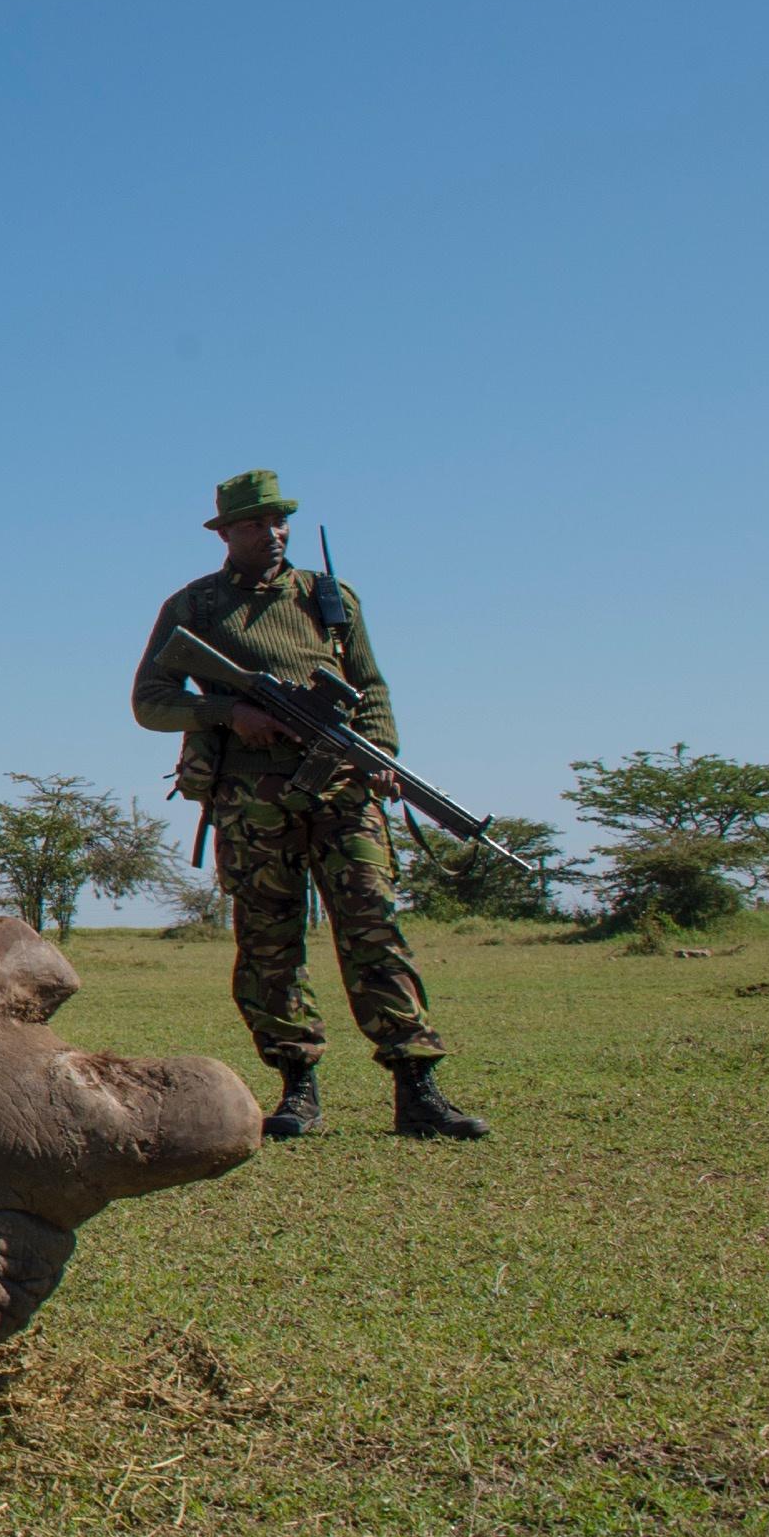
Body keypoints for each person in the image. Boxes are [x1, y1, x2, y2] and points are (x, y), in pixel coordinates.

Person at [131, 469, 487, 1143]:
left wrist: (377, 752)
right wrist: (229, 711)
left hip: (344, 797)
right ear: (226, 533)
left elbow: (370, 685)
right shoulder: (194, 608)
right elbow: (150, 700)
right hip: (252, 804)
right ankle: (297, 1090)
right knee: (268, 943)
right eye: (256, 524)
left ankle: (418, 1088)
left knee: (375, 928)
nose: (273, 533)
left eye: (279, 521)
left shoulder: (330, 597)